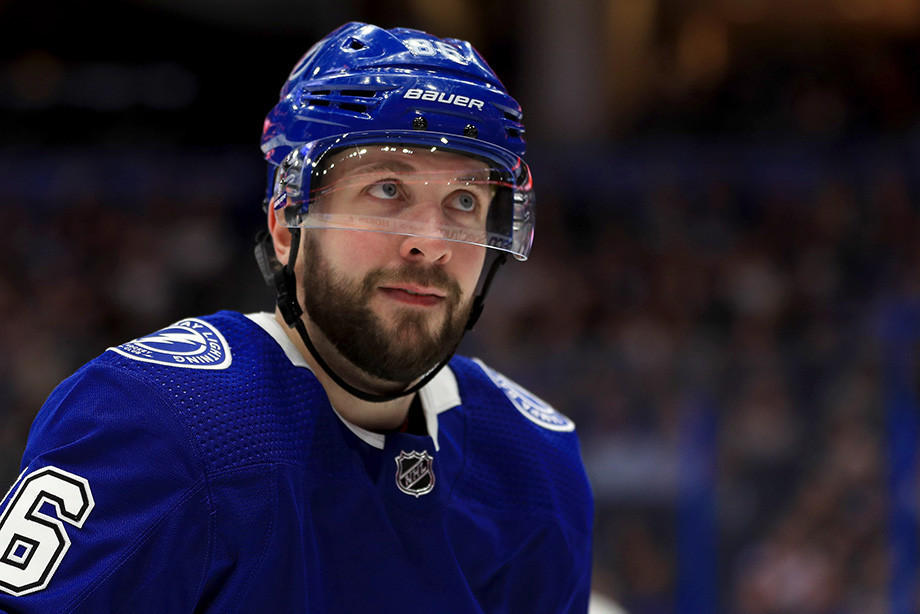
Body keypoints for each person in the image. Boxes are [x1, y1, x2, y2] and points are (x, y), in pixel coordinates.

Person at [0, 22, 594, 613]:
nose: (431, 242)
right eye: (388, 189)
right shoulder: (156, 420)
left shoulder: (536, 466)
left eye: (464, 201)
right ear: (287, 225)